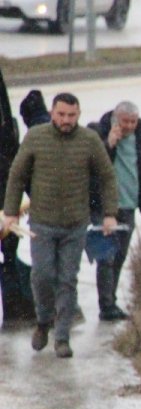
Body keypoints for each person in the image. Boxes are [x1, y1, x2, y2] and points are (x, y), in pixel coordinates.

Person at [2, 93, 117, 358]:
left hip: (74, 225)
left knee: (67, 280)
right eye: (61, 114)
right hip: (42, 223)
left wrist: (109, 213)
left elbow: (107, 176)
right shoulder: (36, 137)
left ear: (78, 115)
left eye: (71, 116)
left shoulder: (89, 141)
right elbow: (17, 175)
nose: (66, 120)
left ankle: (62, 337)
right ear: (53, 113)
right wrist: (10, 212)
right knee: (42, 276)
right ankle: (44, 321)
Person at [87, 100, 141, 321]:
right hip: (103, 206)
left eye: (133, 121)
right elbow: (91, 164)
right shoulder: (98, 131)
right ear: (115, 118)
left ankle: (110, 300)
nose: (129, 126)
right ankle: (106, 306)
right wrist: (109, 143)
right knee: (106, 257)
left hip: (128, 204)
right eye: (125, 121)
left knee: (119, 256)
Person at [0, 66, 37, 327]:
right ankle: (15, 308)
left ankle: (15, 307)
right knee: (9, 256)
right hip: (6, 197)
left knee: (9, 255)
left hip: (6, 201)